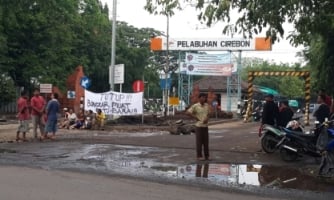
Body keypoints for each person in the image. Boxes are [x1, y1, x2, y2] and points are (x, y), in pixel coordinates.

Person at [186, 93, 211, 161]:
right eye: (202, 97)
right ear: (199, 98)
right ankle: (199, 156)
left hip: (205, 126)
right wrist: (195, 117)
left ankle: (207, 156)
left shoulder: (207, 106)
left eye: (204, 98)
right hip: (198, 126)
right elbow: (188, 112)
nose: (204, 99)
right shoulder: (195, 106)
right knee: (199, 142)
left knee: (206, 142)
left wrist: (207, 118)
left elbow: (209, 113)